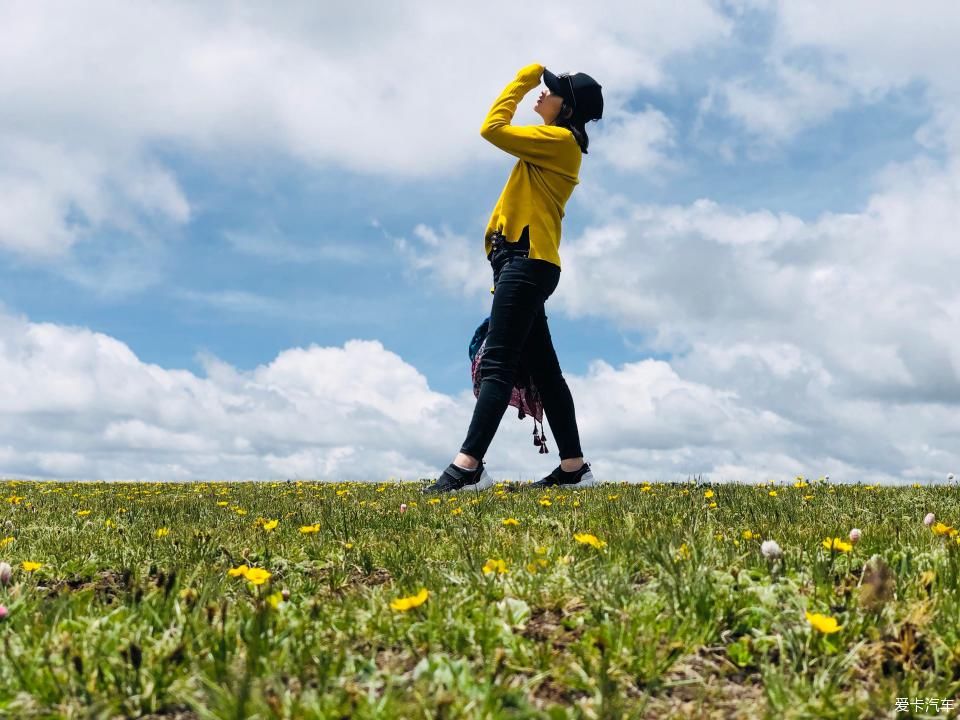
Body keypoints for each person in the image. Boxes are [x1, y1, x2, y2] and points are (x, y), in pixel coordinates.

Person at [424, 63, 603, 494]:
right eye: (542, 87)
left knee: (498, 363)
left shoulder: (558, 141)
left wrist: (523, 80)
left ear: (567, 107)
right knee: (544, 373)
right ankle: (574, 469)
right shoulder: (552, 145)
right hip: (526, 262)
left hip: (527, 263)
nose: (543, 92)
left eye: (552, 90)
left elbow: (492, 128)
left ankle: (467, 467)